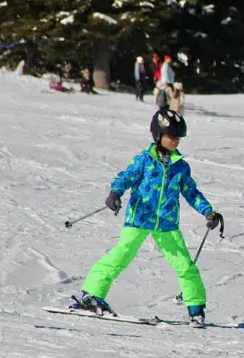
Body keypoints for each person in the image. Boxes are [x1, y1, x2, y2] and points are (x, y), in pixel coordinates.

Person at [71, 109, 223, 327]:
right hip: (139, 218)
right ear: (157, 136)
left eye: (178, 138)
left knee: (185, 265)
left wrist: (208, 211)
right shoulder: (144, 160)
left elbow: (191, 192)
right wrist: (115, 192)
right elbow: (126, 177)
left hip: (167, 224)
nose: (175, 141)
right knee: (120, 256)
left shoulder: (180, 166)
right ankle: (92, 295)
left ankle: (196, 309)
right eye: (171, 137)